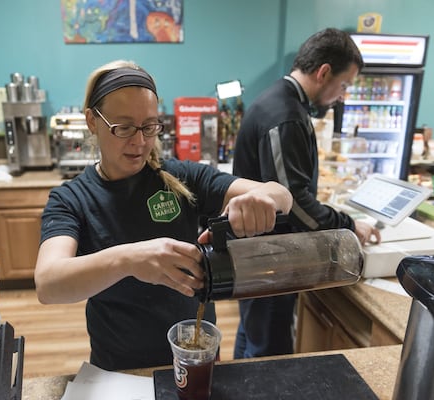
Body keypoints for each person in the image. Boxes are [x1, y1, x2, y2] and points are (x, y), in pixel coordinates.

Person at [34, 60, 293, 371]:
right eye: (124, 127)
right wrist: (129, 259)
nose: (140, 141)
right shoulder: (72, 199)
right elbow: (48, 284)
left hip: (195, 357)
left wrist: (258, 200)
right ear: (92, 121)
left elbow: (282, 196)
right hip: (122, 371)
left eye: (149, 126)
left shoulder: (181, 177)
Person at [232, 28, 381, 359]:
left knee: (251, 336)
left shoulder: (278, 102)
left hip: (255, 249)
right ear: (324, 72)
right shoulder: (285, 115)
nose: (341, 95)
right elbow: (294, 202)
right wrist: (348, 226)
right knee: (269, 351)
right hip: (269, 253)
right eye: (343, 85)